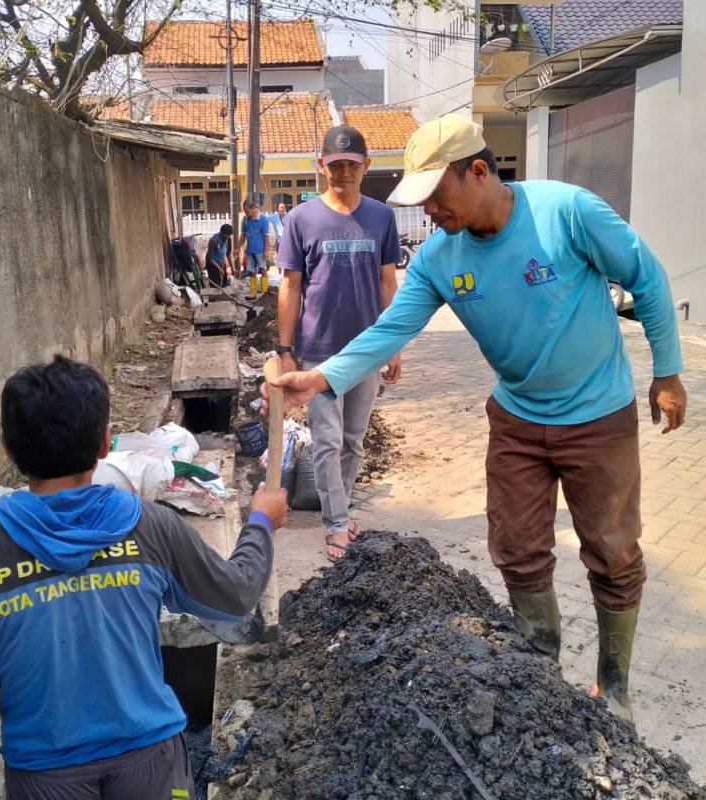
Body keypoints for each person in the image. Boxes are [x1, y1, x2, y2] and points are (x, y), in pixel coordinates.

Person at [263, 114, 687, 722]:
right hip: (516, 416)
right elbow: (390, 330)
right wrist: (320, 376)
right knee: (516, 549)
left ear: (480, 171)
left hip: (599, 415)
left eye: (438, 195)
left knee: (613, 551)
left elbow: (646, 278)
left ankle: (614, 688)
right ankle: (540, 674)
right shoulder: (439, 257)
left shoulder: (568, 213)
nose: (430, 211)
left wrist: (667, 372)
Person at [0, 355, 287, 800]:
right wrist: (261, 522)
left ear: (9, 451)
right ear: (104, 444)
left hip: (44, 777)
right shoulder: (152, 527)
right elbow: (234, 597)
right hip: (152, 764)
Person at [275, 124, 402, 562]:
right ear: (322, 168)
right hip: (319, 350)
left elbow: (389, 283)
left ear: (365, 167)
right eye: (335, 165)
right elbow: (290, 287)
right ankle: (334, 526)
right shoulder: (301, 219)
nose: (343, 172)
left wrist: (394, 346)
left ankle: (342, 512)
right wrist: (284, 348)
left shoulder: (382, 217)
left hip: (367, 350)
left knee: (353, 441)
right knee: (326, 441)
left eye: (351, 164)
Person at [237, 200, 270, 300]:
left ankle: (265, 293)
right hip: (250, 250)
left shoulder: (263, 219)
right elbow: (243, 235)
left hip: (260, 250)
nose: (246, 213)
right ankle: (253, 293)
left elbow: (266, 236)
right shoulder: (245, 220)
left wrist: (266, 251)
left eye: (247, 211)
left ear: (253, 208)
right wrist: (238, 248)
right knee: (251, 271)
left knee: (262, 269)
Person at [205, 223, 234, 287]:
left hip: (221, 264)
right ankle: (214, 297)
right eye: (227, 235)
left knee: (223, 283)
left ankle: (222, 296)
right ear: (222, 233)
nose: (228, 237)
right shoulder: (213, 241)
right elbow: (210, 259)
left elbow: (227, 254)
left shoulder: (228, 239)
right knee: (215, 285)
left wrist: (232, 268)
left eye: (229, 235)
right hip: (212, 265)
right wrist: (219, 268)